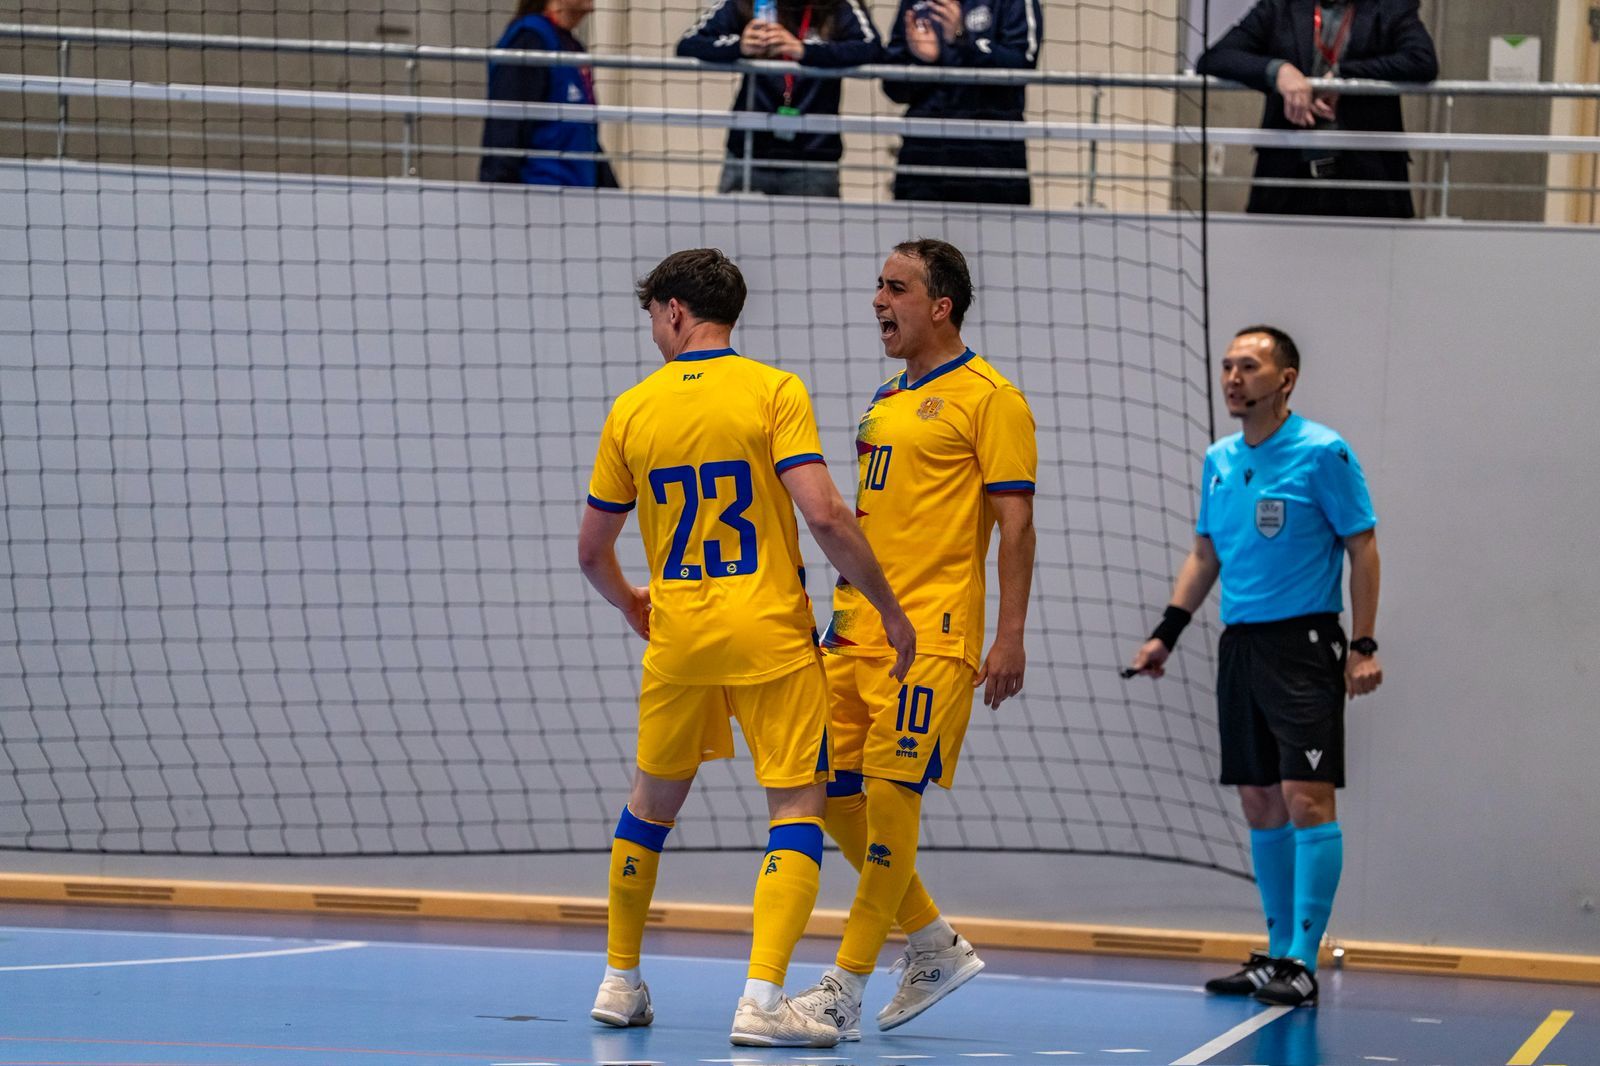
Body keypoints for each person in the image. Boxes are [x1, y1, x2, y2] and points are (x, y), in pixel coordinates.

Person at [578, 248, 917, 1047]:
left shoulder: (632, 408)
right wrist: (889, 611)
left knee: (647, 807)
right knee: (796, 808)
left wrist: (634, 604)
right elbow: (827, 515)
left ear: (672, 312)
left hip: (681, 634)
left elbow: (591, 551)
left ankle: (620, 981)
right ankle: (761, 1001)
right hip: (768, 631)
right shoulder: (774, 389)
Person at [791, 239, 1037, 1038]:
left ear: (942, 306)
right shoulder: (885, 399)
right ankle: (932, 941)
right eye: (876, 285)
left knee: (894, 797)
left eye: (895, 288)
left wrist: (1009, 635)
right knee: (827, 793)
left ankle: (843, 988)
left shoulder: (991, 397)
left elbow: (1017, 525)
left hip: (934, 634)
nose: (877, 301)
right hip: (853, 630)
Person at [1125, 325, 1384, 1008]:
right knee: (1259, 799)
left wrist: (1363, 645)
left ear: (1286, 379)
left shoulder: (1323, 453)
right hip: (1239, 646)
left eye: (1249, 366)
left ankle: (1303, 957)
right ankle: (1275, 953)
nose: (1233, 378)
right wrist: (1165, 634)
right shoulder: (1218, 458)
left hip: (1304, 645)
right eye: (1227, 366)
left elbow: (1363, 546)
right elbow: (1206, 554)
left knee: (1306, 796)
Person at [1197, 0, 1438, 218]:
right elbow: (1214, 58)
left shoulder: (1391, 6)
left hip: (1369, 182)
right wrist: (1278, 71)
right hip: (1287, 178)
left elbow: (1422, 61)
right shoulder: (1279, 7)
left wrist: (1345, 76)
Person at [678, 0, 882, 198]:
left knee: (816, 233)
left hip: (813, 158)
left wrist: (804, 51)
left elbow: (872, 49)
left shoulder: (840, 6)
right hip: (748, 152)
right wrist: (740, 46)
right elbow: (689, 44)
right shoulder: (744, 3)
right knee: (732, 229)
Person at [882, 0, 1043, 205]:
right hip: (923, 156)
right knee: (918, 236)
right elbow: (893, 89)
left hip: (993, 156)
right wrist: (924, 62)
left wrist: (963, 39)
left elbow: (1022, 66)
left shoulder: (1013, 4)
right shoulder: (915, 5)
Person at [480, 0, 620, 187]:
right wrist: (500, 198)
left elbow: (585, 135)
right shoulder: (529, 41)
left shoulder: (571, 46)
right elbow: (505, 131)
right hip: (539, 195)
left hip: (577, 197)